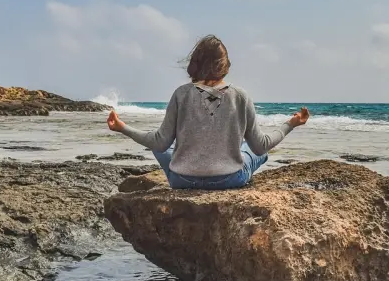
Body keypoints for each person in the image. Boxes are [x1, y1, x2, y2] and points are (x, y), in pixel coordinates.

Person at [106, 35, 310, 190]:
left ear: (194, 63)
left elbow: (160, 143)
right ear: (225, 65)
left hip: (182, 180)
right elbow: (261, 146)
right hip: (229, 180)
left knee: (159, 144)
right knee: (254, 149)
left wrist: (123, 127)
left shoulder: (180, 94)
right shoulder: (240, 96)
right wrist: (290, 124)